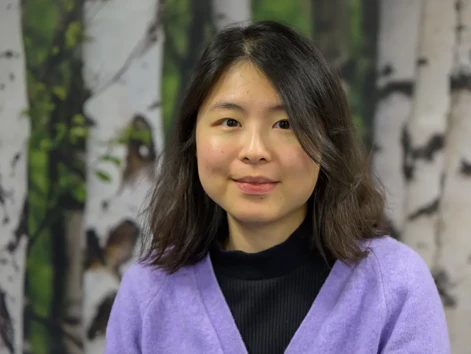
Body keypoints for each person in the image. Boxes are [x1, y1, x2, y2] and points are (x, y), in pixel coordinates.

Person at [104, 20, 450, 354]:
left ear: (327, 141)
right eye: (230, 121)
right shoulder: (147, 294)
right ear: (192, 136)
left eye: (285, 123)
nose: (255, 150)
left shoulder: (395, 285)